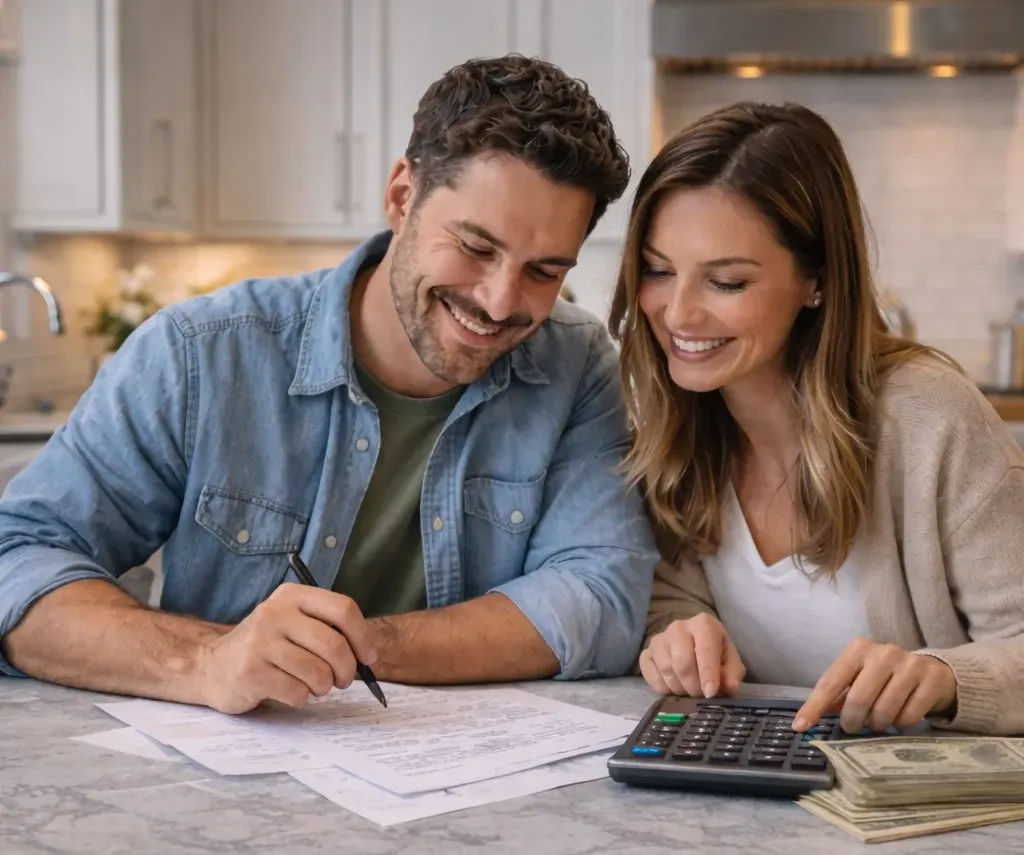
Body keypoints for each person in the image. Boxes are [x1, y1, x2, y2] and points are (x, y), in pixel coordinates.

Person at [0, 55, 659, 714]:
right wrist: (204, 660)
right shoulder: (200, 354)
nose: (498, 299)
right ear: (403, 197)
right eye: (475, 248)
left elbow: (600, 592)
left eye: (543, 270)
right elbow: (19, 559)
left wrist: (358, 645)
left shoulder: (576, 365)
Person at [609, 101, 1024, 736]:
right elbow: (675, 597)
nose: (679, 315)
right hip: (741, 805)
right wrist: (677, 637)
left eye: (725, 283)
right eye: (659, 271)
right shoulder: (674, 416)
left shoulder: (930, 418)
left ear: (818, 281)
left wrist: (943, 678)